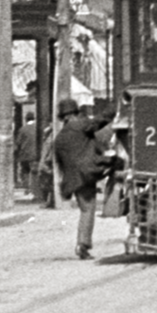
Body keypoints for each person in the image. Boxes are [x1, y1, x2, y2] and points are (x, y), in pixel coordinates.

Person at [53, 97, 113, 260]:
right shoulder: (80, 125)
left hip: (73, 180)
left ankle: (83, 243)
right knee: (88, 209)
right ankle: (83, 244)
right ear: (75, 113)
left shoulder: (59, 138)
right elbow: (100, 121)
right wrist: (115, 107)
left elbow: (59, 165)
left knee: (84, 209)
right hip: (87, 174)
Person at [14, 112, 38, 192]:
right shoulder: (37, 128)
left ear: (26, 119)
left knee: (25, 171)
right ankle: (34, 188)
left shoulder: (22, 129)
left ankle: (27, 188)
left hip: (25, 154)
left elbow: (18, 142)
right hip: (35, 154)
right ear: (34, 118)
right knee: (34, 172)